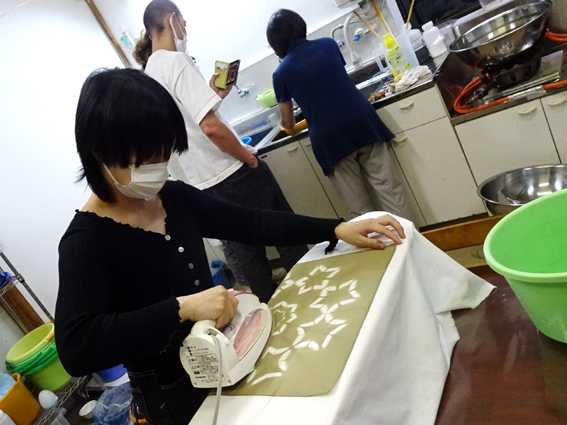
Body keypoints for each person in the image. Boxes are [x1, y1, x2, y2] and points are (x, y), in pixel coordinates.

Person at [54, 68, 405, 425]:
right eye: (144, 160)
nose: (157, 168)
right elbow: (76, 348)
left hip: (225, 364)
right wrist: (181, 308)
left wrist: (335, 228)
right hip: (172, 401)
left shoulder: (173, 198)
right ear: (100, 153)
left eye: (163, 155)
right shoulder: (86, 241)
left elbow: (252, 223)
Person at [132, 0, 304, 302]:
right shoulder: (176, 62)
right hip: (231, 173)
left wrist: (212, 95)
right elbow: (211, 128)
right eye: (183, 22)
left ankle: (273, 311)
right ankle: (313, 290)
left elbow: (187, 125)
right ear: (172, 21)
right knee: (285, 233)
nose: (185, 29)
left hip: (203, 186)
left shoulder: (148, 75)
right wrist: (248, 158)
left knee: (248, 258)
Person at [267, 9, 415, 221]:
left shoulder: (280, 73)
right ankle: (409, 237)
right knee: (390, 190)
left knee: (360, 209)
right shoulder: (329, 44)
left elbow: (288, 122)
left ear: (276, 44)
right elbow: (334, 83)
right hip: (362, 122)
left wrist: (294, 123)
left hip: (331, 141)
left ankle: (381, 243)